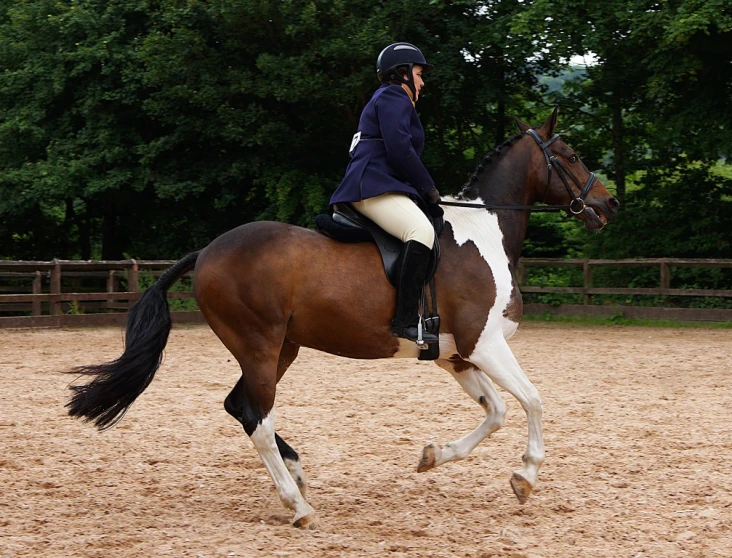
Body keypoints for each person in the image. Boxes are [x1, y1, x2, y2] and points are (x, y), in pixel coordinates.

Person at [329, 42, 441, 345]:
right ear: (402, 73)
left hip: (374, 183)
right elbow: (400, 150)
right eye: (419, 74)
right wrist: (428, 188)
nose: (422, 81)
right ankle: (405, 322)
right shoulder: (394, 96)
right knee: (421, 231)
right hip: (372, 185)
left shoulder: (385, 98)